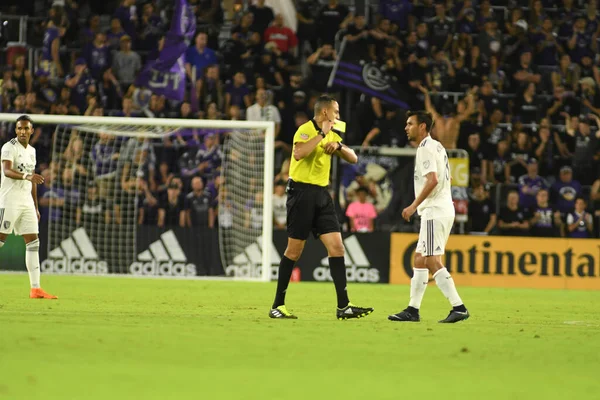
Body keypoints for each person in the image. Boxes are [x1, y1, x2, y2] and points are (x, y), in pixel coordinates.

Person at [269, 95, 373, 320]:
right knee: (294, 251)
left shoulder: (335, 133)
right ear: (325, 112)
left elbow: (353, 158)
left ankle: (343, 306)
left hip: (322, 195)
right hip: (301, 193)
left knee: (337, 248)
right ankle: (278, 305)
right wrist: (322, 135)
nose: (338, 116)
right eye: (335, 111)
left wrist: (339, 145)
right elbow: (298, 153)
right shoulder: (305, 129)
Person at [389, 110, 469, 323]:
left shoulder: (425, 148)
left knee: (432, 259)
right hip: (439, 209)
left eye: (410, 124)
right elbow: (447, 175)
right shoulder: (438, 146)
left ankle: (458, 307)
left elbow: (432, 180)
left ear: (422, 126)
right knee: (420, 258)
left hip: (435, 210)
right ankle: (412, 310)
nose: (406, 128)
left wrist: (414, 205)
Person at [0, 115, 57, 299]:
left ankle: (35, 288)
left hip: (26, 203)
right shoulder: (9, 147)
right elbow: (7, 171)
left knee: (33, 242)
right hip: (9, 201)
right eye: (19, 128)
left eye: (26, 128)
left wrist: (36, 206)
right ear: (16, 130)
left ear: (32, 131)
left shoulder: (32, 151)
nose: (22, 131)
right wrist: (27, 176)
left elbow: (32, 180)